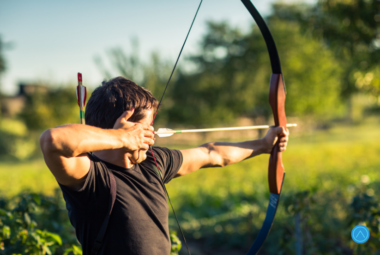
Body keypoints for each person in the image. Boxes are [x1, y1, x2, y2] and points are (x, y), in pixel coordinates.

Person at [39, 76, 289, 255]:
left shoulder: (153, 161)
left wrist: (264, 145)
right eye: (146, 128)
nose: (152, 135)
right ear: (126, 125)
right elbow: (52, 140)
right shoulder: (90, 177)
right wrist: (122, 139)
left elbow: (212, 154)